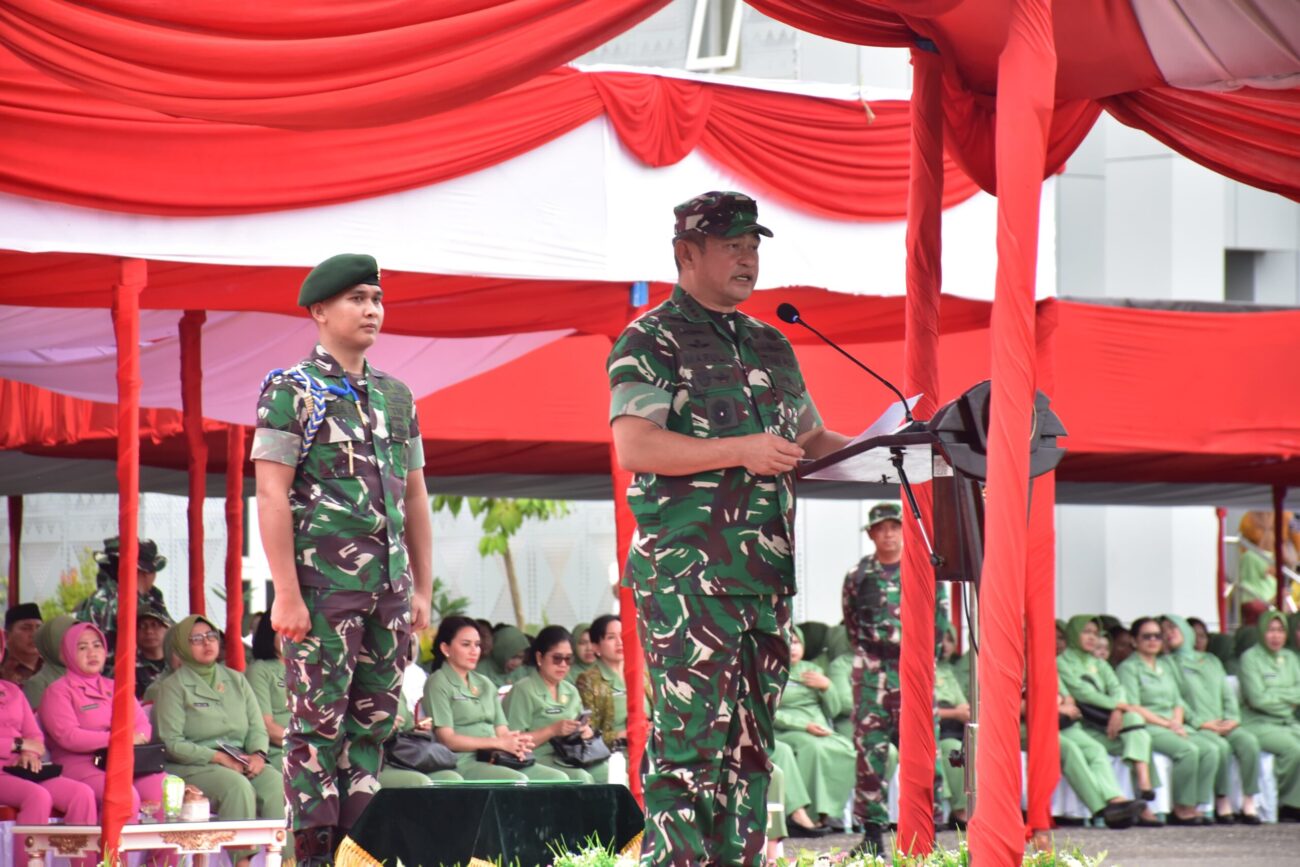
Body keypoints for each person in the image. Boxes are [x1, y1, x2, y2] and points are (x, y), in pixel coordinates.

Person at [608, 190, 849, 867]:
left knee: (751, 751)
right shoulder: (651, 337)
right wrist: (741, 448)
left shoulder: (772, 342)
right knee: (689, 751)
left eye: (753, 245)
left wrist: (898, 448)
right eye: (731, 245)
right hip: (689, 579)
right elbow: (636, 445)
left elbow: (811, 440)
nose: (748, 258)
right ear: (686, 253)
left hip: (764, 578)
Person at [253, 253, 433, 865]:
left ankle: (360, 856)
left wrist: (422, 588)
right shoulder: (291, 390)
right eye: (357, 298)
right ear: (319, 311)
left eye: (376, 299)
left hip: (389, 592)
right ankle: (313, 858)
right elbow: (271, 493)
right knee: (315, 734)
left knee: (373, 732)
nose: (372, 310)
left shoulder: (397, 396)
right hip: (321, 592)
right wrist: (285, 593)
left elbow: (415, 495)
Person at [842, 502, 947, 854]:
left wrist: (923, 661)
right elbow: (852, 624)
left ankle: (927, 834)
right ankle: (872, 836)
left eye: (893, 527)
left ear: (904, 531)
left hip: (912, 669)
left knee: (923, 751)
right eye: (880, 528)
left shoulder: (922, 568)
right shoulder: (858, 575)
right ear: (871, 534)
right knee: (869, 751)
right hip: (872, 671)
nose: (887, 534)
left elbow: (939, 622)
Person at [156, 616, 284, 867]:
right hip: (194, 765)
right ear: (181, 646)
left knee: (276, 784)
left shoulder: (236, 679)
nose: (207, 643)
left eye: (211, 636)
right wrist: (218, 757)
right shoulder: (173, 687)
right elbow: (171, 743)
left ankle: (285, 861)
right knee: (236, 787)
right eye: (196, 639)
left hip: (240, 759)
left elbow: (257, 727)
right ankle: (242, 863)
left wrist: (258, 754)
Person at [38, 623, 172, 864]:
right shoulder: (58, 691)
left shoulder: (116, 686)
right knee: (125, 796)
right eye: (82, 647)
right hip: (82, 765)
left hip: (126, 763)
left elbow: (142, 726)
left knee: (162, 789)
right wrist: (118, 739)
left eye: (97, 645)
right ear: (67, 653)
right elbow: (69, 736)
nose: (92, 653)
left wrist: (125, 740)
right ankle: (113, 863)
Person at [423, 616, 566, 782]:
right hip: (461, 760)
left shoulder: (485, 683)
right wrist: (497, 743)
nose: (474, 651)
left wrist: (515, 741)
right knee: (516, 780)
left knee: (558, 778)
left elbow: (502, 731)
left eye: (477, 644)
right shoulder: (438, 682)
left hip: (496, 756)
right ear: (445, 648)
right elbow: (447, 739)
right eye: (466, 644)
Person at [1116, 617, 1218, 824]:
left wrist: (1177, 723)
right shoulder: (1129, 668)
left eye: (1157, 636)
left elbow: (1177, 701)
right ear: (1134, 640)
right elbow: (1133, 706)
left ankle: (1196, 804)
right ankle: (1181, 807)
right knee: (1188, 751)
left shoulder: (1164, 665)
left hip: (1172, 724)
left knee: (1211, 749)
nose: (1153, 640)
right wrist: (1167, 724)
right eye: (1147, 636)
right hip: (1149, 725)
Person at [1161, 614, 1261, 823]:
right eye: (1164, 630)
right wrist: (1201, 723)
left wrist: (1232, 718)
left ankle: (1249, 800)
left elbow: (1227, 693)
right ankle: (1221, 800)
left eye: (1172, 627)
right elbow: (1177, 700)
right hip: (1197, 725)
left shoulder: (1211, 660)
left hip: (1224, 722)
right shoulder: (1168, 663)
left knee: (1249, 742)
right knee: (1219, 747)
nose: (1168, 633)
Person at [1057, 616, 1160, 815]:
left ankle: (1140, 793)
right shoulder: (1062, 662)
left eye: (1095, 633)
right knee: (1137, 737)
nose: (1092, 638)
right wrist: (1118, 706)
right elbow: (1082, 693)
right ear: (1073, 633)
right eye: (1086, 632)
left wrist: (1118, 710)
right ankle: (1143, 803)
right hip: (1085, 724)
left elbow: (1117, 688)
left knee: (1139, 737)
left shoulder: (1099, 663)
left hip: (1107, 725)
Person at [774, 626, 855, 829]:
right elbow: (768, 712)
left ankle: (828, 813)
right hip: (785, 730)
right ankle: (807, 815)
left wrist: (827, 686)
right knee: (813, 748)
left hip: (818, 729)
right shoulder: (770, 673)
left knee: (846, 749)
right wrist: (804, 726)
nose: (792, 648)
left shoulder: (813, 670)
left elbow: (833, 711)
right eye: (787, 642)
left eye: (796, 642)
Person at [504, 625, 607, 782]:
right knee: (580, 778)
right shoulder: (523, 690)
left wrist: (584, 731)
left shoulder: (570, 690)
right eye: (557, 658)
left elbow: (579, 729)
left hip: (571, 755)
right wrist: (552, 730)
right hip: (535, 757)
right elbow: (512, 741)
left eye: (568, 659)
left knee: (610, 773)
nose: (563, 665)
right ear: (540, 658)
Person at [1048, 671, 1145, 828]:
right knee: (1069, 749)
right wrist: (1055, 707)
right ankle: (1101, 808)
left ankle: (1114, 799)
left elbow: (1069, 697)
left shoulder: (1047, 664)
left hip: (1058, 723)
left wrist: (1065, 704)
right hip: (1029, 724)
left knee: (1096, 749)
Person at [1237, 610, 1300, 821]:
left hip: (1286, 721)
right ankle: (1287, 803)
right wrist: (1288, 701)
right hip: (1257, 722)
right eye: (1271, 630)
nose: (1276, 636)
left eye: (1281, 630)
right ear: (1261, 631)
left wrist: (1274, 694)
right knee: (1294, 749)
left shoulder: (1290, 658)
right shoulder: (1250, 658)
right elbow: (1257, 699)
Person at [76, 537, 171, 673]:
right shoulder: (104, 600)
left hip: (154, 675)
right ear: (146, 573)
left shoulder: (153, 596)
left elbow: (172, 635)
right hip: (114, 679)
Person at [575, 615, 632, 750]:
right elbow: (588, 731)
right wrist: (619, 735)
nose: (619, 642)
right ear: (596, 647)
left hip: (649, 749)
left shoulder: (641, 673)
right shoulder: (588, 681)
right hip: (614, 753)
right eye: (611, 637)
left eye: (622, 635)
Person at [244, 614, 290, 773]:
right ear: (269, 633)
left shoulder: (307, 668)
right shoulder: (260, 670)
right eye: (283, 630)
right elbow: (266, 726)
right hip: (280, 750)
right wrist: (304, 745)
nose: (289, 636)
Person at [935, 626, 969, 826]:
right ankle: (960, 810)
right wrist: (955, 712)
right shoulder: (919, 666)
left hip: (951, 728)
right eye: (941, 639)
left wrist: (960, 712)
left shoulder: (946, 670)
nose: (946, 645)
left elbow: (963, 705)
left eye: (950, 640)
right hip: (933, 731)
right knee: (954, 750)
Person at [22, 614, 75, 710]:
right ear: (51, 644)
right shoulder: (37, 684)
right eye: (68, 640)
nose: (75, 646)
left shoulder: (89, 677)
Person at [134, 605, 173, 700]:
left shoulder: (179, 663)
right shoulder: (128, 668)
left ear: (168, 629)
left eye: (155, 625)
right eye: (142, 626)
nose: (149, 631)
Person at [0, 603, 43, 686]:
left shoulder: (52, 667)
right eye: (26, 628)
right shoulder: (3, 670)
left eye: (39, 628)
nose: (34, 634)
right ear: (7, 635)